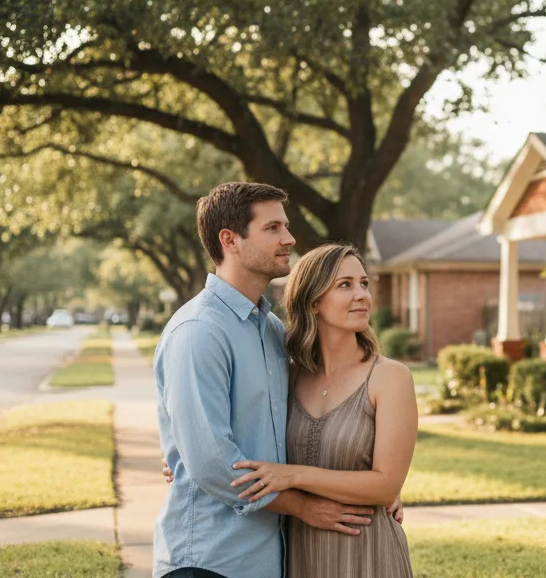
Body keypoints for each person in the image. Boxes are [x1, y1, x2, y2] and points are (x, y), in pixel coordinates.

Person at [153, 182, 398, 578]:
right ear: (230, 240)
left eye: (285, 226)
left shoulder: (268, 329)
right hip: (210, 560)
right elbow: (214, 464)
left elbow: (298, 434)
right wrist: (303, 506)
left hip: (270, 559)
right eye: (273, 228)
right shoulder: (199, 331)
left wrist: (377, 485)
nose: (289, 238)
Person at [229, 242, 419, 577]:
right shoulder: (287, 377)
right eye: (345, 285)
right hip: (301, 554)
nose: (362, 294)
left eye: (363, 283)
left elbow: (386, 485)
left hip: (368, 554)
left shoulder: (389, 377)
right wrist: (178, 456)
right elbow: (238, 431)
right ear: (314, 301)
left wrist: (294, 475)